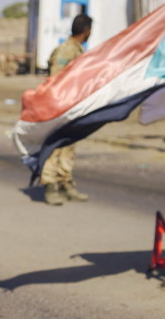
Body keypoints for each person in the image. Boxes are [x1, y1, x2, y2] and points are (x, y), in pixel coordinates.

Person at [41, 13, 93, 206]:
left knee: (68, 146)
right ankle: (50, 186)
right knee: (54, 147)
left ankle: (65, 182)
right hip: (59, 106)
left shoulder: (77, 50)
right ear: (86, 31)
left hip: (72, 106)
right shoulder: (65, 51)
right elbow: (55, 80)